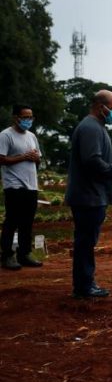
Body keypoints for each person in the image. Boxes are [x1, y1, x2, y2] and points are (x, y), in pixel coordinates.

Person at [65, 90, 112, 298]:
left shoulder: (94, 127)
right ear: (101, 107)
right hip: (88, 196)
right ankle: (84, 286)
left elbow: (94, 160)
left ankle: (84, 284)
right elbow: (91, 160)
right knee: (85, 242)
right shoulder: (91, 128)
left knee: (86, 241)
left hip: (92, 195)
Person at [0, 105, 43, 270]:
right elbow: (2, 159)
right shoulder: (5, 135)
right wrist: (23, 156)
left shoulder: (32, 136)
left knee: (27, 221)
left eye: (30, 117)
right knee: (12, 220)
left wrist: (35, 158)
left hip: (31, 184)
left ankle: (24, 253)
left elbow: (38, 159)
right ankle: (7, 255)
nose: (28, 120)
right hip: (14, 185)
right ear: (15, 117)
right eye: (25, 117)